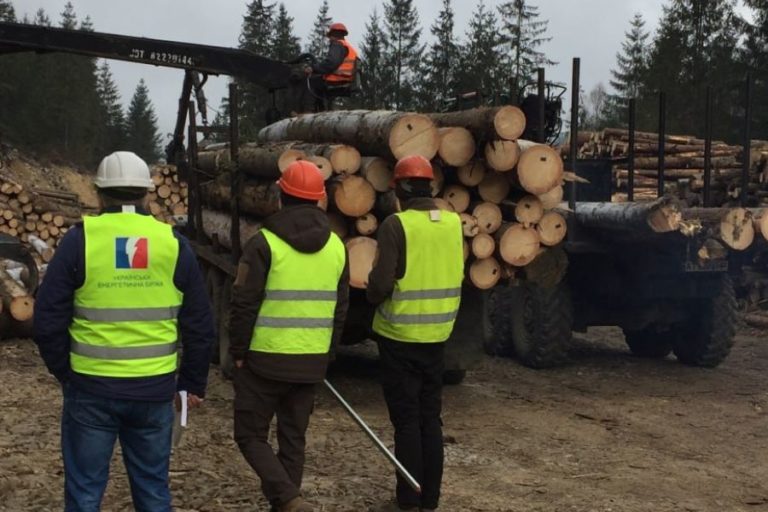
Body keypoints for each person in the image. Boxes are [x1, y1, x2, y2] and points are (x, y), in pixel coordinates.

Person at [33, 151, 215, 512]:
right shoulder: (172, 244)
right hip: (153, 391)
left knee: (84, 494)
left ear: (100, 193)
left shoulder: (79, 241)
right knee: (152, 491)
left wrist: (65, 372)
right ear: (146, 194)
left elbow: (47, 317)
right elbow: (199, 322)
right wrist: (191, 382)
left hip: (91, 388)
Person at [229, 160, 350, 512]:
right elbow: (340, 309)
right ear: (319, 200)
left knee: (249, 434)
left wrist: (238, 349)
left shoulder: (263, 243)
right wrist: (328, 353)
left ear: (281, 196)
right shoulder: (338, 247)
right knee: (293, 441)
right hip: (310, 361)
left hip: (264, 360)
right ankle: (287, 502)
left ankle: (289, 498)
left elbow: (243, 303)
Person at [366, 155, 465, 512]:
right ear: (431, 188)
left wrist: (372, 298)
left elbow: (380, 282)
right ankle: (431, 499)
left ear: (398, 191)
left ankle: (409, 498)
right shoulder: (453, 223)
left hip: (399, 336)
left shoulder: (397, 225)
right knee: (430, 418)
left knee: (406, 421)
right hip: (437, 336)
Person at [304, 22, 358, 107]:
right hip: (346, 78)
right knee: (318, 80)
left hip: (338, 79)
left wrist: (313, 68)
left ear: (335, 34)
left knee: (310, 82)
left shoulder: (337, 45)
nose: (330, 39)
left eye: (331, 36)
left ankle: (311, 110)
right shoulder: (347, 46)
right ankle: (322, 108)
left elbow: (331, 63)